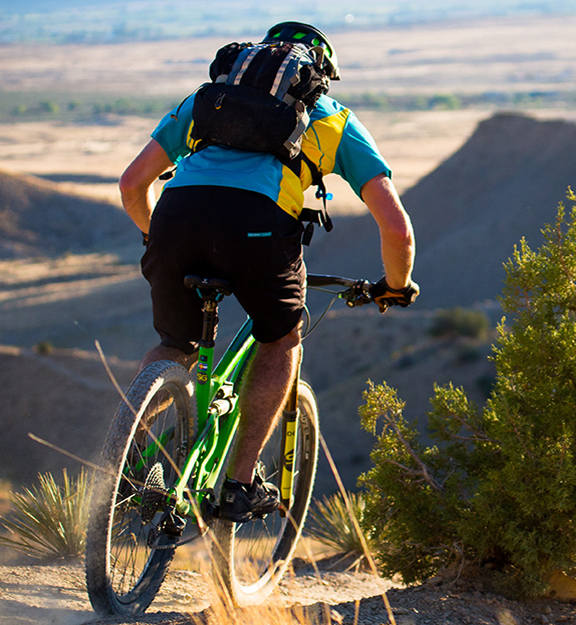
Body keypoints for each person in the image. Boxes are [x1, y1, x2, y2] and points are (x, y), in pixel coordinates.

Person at [117, 22, 418, 523]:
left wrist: (161, 239)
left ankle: (123, 462)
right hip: (256, 230)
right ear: (318, 74)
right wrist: (395, 285)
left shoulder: (207, 100)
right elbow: (397, 227)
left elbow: (132, 183)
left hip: (175, 218)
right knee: (280, 340)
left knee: (176, 345)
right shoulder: (333, 118)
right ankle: (238, 484)